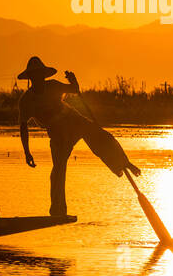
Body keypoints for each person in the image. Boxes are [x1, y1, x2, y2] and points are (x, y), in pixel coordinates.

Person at [17, 56, 140, 217]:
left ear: (43, 75)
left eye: (40, 74)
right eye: (34, 75)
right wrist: (27, 152)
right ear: (30, 78)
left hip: (74, 121)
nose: (38, 78)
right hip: (57, 134)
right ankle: (58, 210)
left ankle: (123, 163)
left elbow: (74, 90)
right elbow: (23, 127)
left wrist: (73, 80)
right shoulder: (26, 101)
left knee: (102, 137)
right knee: (58, 170)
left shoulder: (53, 86)